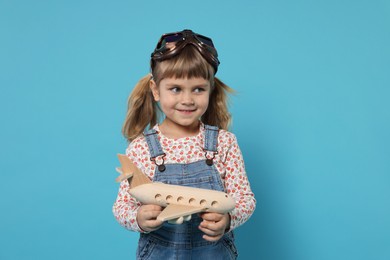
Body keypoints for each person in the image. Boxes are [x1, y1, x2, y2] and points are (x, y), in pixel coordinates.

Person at [113, 29, 256, 259]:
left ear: (210, 89)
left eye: (198, 89)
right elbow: (122, 207)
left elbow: (245, 199)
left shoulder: (224, 142)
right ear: (155, 90)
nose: (187, 100)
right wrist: (139, 218)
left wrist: (228, 219)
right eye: (176, 89)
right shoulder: (140, 149)